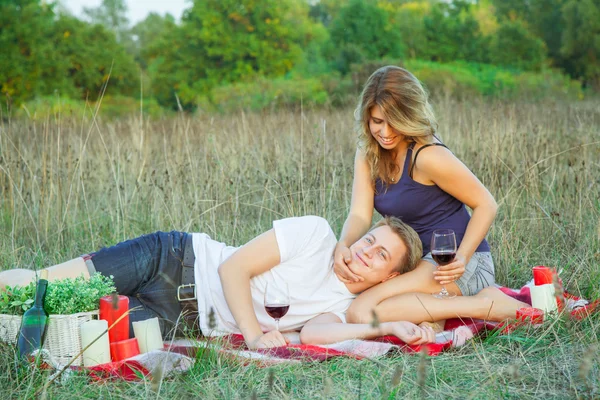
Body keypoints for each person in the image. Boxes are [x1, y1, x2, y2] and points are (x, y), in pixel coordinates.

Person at [1, 215, 445, 349]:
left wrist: (384, 327)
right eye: (369, 240)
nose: (364, 252)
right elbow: (233, 268)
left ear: (389, 276)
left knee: (70, 326)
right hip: (172, 259)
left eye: (379, 255)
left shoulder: (339, 302)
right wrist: (254, 335)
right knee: (44, 288)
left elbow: (316, 333)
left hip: (177, 321)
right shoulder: (316, 234)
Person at [333, 65, 500, 325]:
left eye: (394, 122)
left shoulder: (427, 155)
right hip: (413, 264)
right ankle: (436, 313)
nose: (385, 133)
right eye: (377, 122)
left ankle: (487, 305)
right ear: (366, 117)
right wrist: (343, 244)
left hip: (454, 264)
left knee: (363, 311)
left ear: (408, 117)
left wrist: (463, 257)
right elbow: (359, 214)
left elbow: (486, 204)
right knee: (361, 304)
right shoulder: (368, 153)